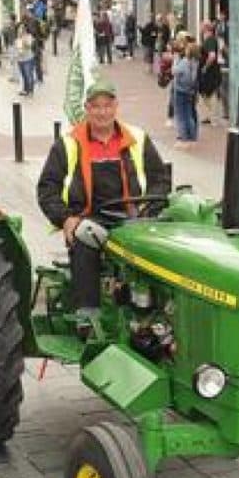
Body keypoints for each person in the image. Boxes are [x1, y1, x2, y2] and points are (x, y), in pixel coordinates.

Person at [36, 77, 170, 316]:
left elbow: (160, 179)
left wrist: (150, 208)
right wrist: (66, 219)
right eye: (96, 106)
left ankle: (158, 310)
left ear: (116, 107)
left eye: (107, 106)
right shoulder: (68, 144)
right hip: (90, 218)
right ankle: (88, 315)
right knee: (86, 239)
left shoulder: (137, 139)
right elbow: (47, 189)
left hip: (133, 216)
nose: (102, 112)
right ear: (87, 109)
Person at [172, 43, 200, 148]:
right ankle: (193, 137)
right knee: (189, 114)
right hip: (190, 90)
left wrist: (175, 60)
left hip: (181, 90)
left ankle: (184, 138)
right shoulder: (195, 62)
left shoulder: (184, 62)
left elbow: (174, 71)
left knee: (181, 115)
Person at [197, 23, 222, 125]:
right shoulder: (208, 40)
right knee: (206, 93)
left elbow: (212, 56)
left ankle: (214, 118)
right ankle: (209, 116)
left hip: (210, 72)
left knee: (211, 94)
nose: (200, 29)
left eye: (202, 27)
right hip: (208, 72)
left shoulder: (210, 40)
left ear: (206, 29)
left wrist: (205, 67)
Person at [14, 24, 36, 96]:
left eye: (21, 29)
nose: (19, 31)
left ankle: (31, 91)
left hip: (28, 59)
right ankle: (25, 90)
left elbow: (28, 46)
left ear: (24, 30)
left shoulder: (29, 37)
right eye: (18, 30)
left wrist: (23, 39)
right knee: (24, 76)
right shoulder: (17, 39)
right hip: (20, 60)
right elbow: (17, 49)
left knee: (29, 75)